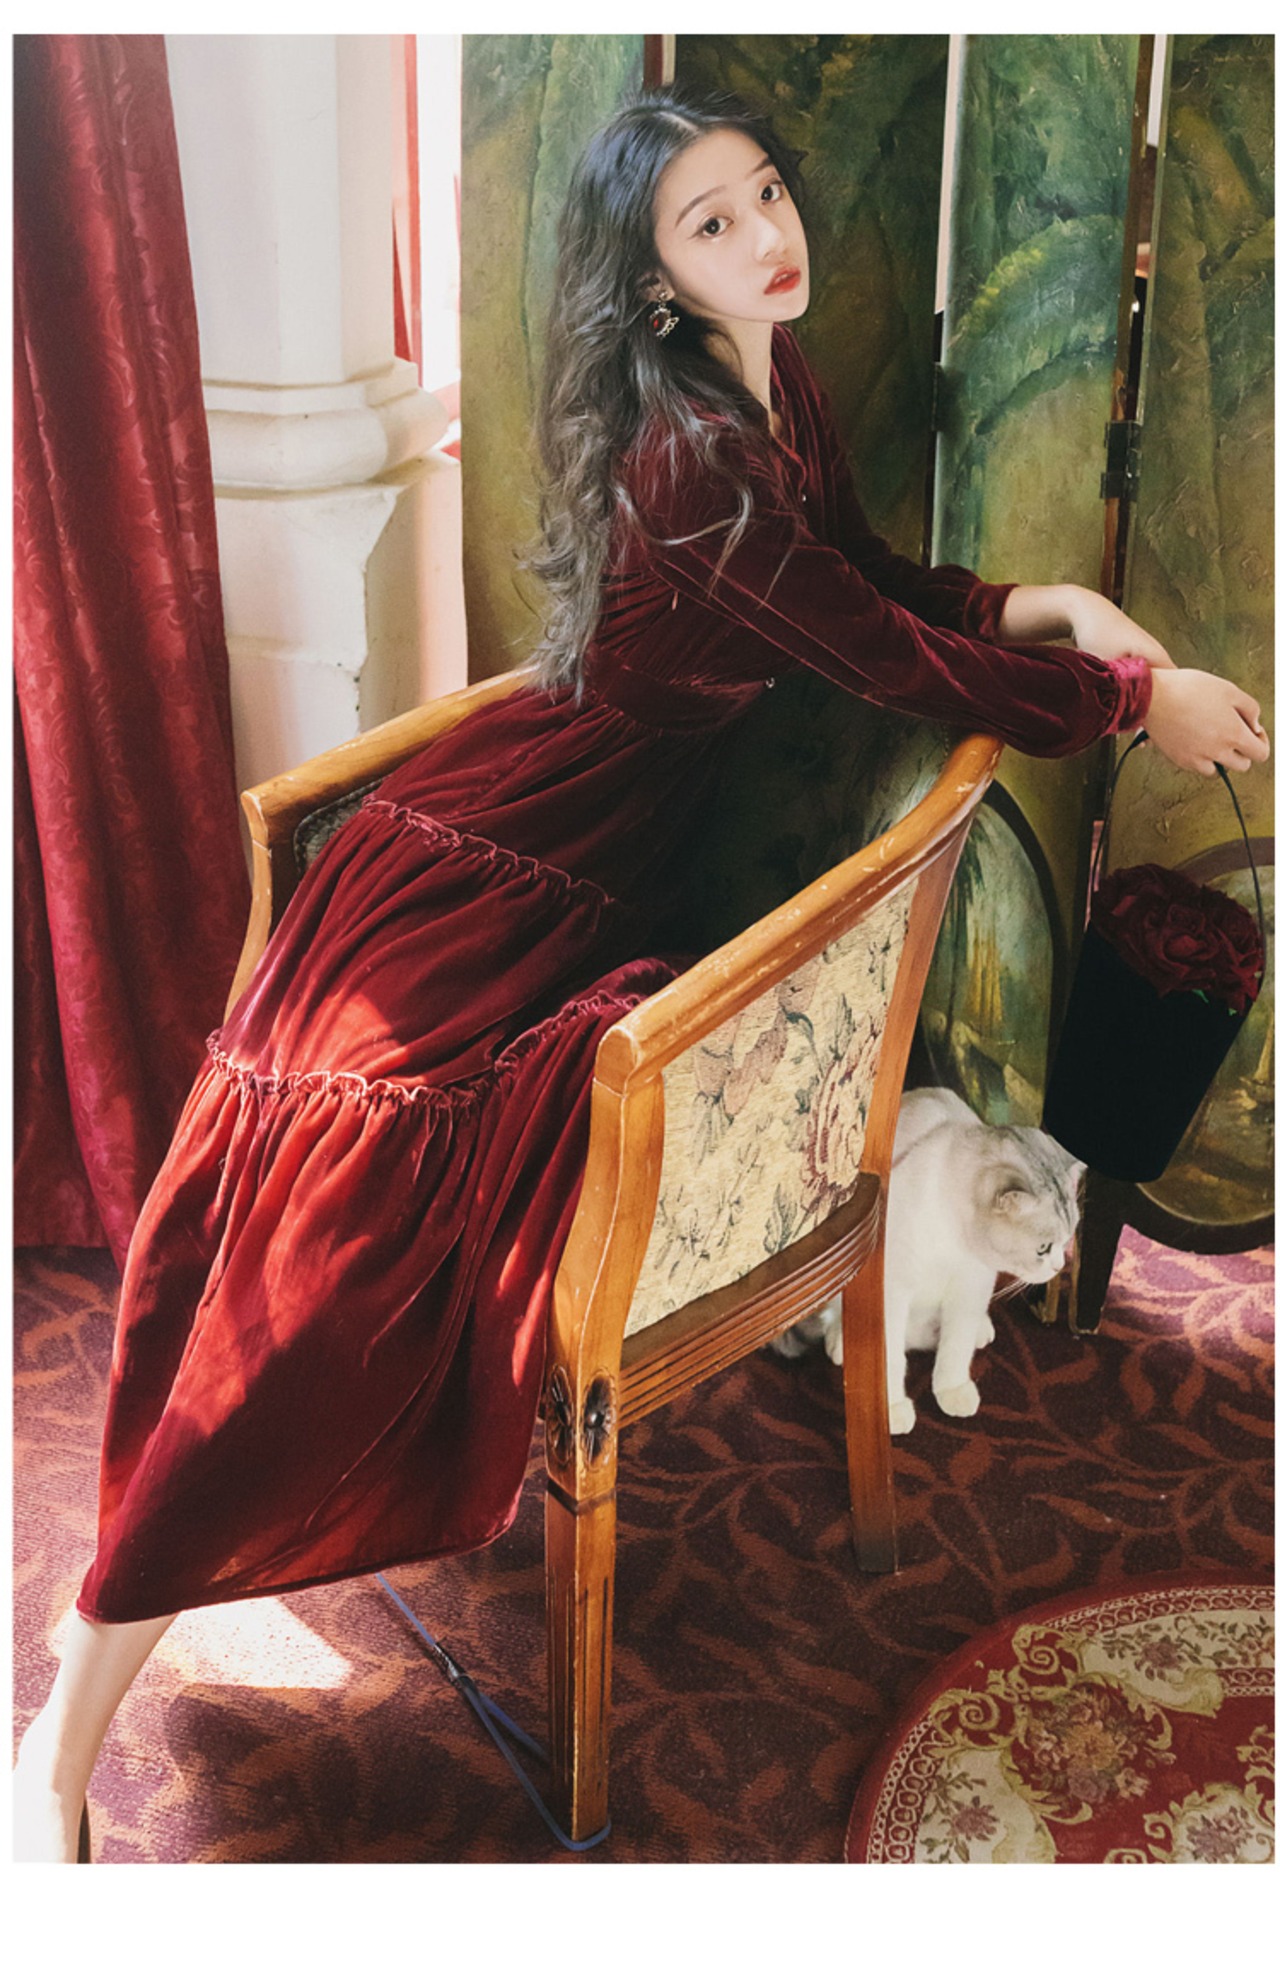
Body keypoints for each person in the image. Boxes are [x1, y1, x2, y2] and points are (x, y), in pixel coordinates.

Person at [14, 83, 1266, 1862]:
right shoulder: (691, 457)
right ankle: (69, 1718)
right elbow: (876, 655)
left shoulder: (771, 381)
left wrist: (1040, 608)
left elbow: (872, 594)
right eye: (711, 223)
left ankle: (131, 1605)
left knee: (323, 1224)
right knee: (314, 1236)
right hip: (506, 852)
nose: (769, 236)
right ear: (659, 279)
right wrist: (1134, 699)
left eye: (767, 193)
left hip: (593, 858)